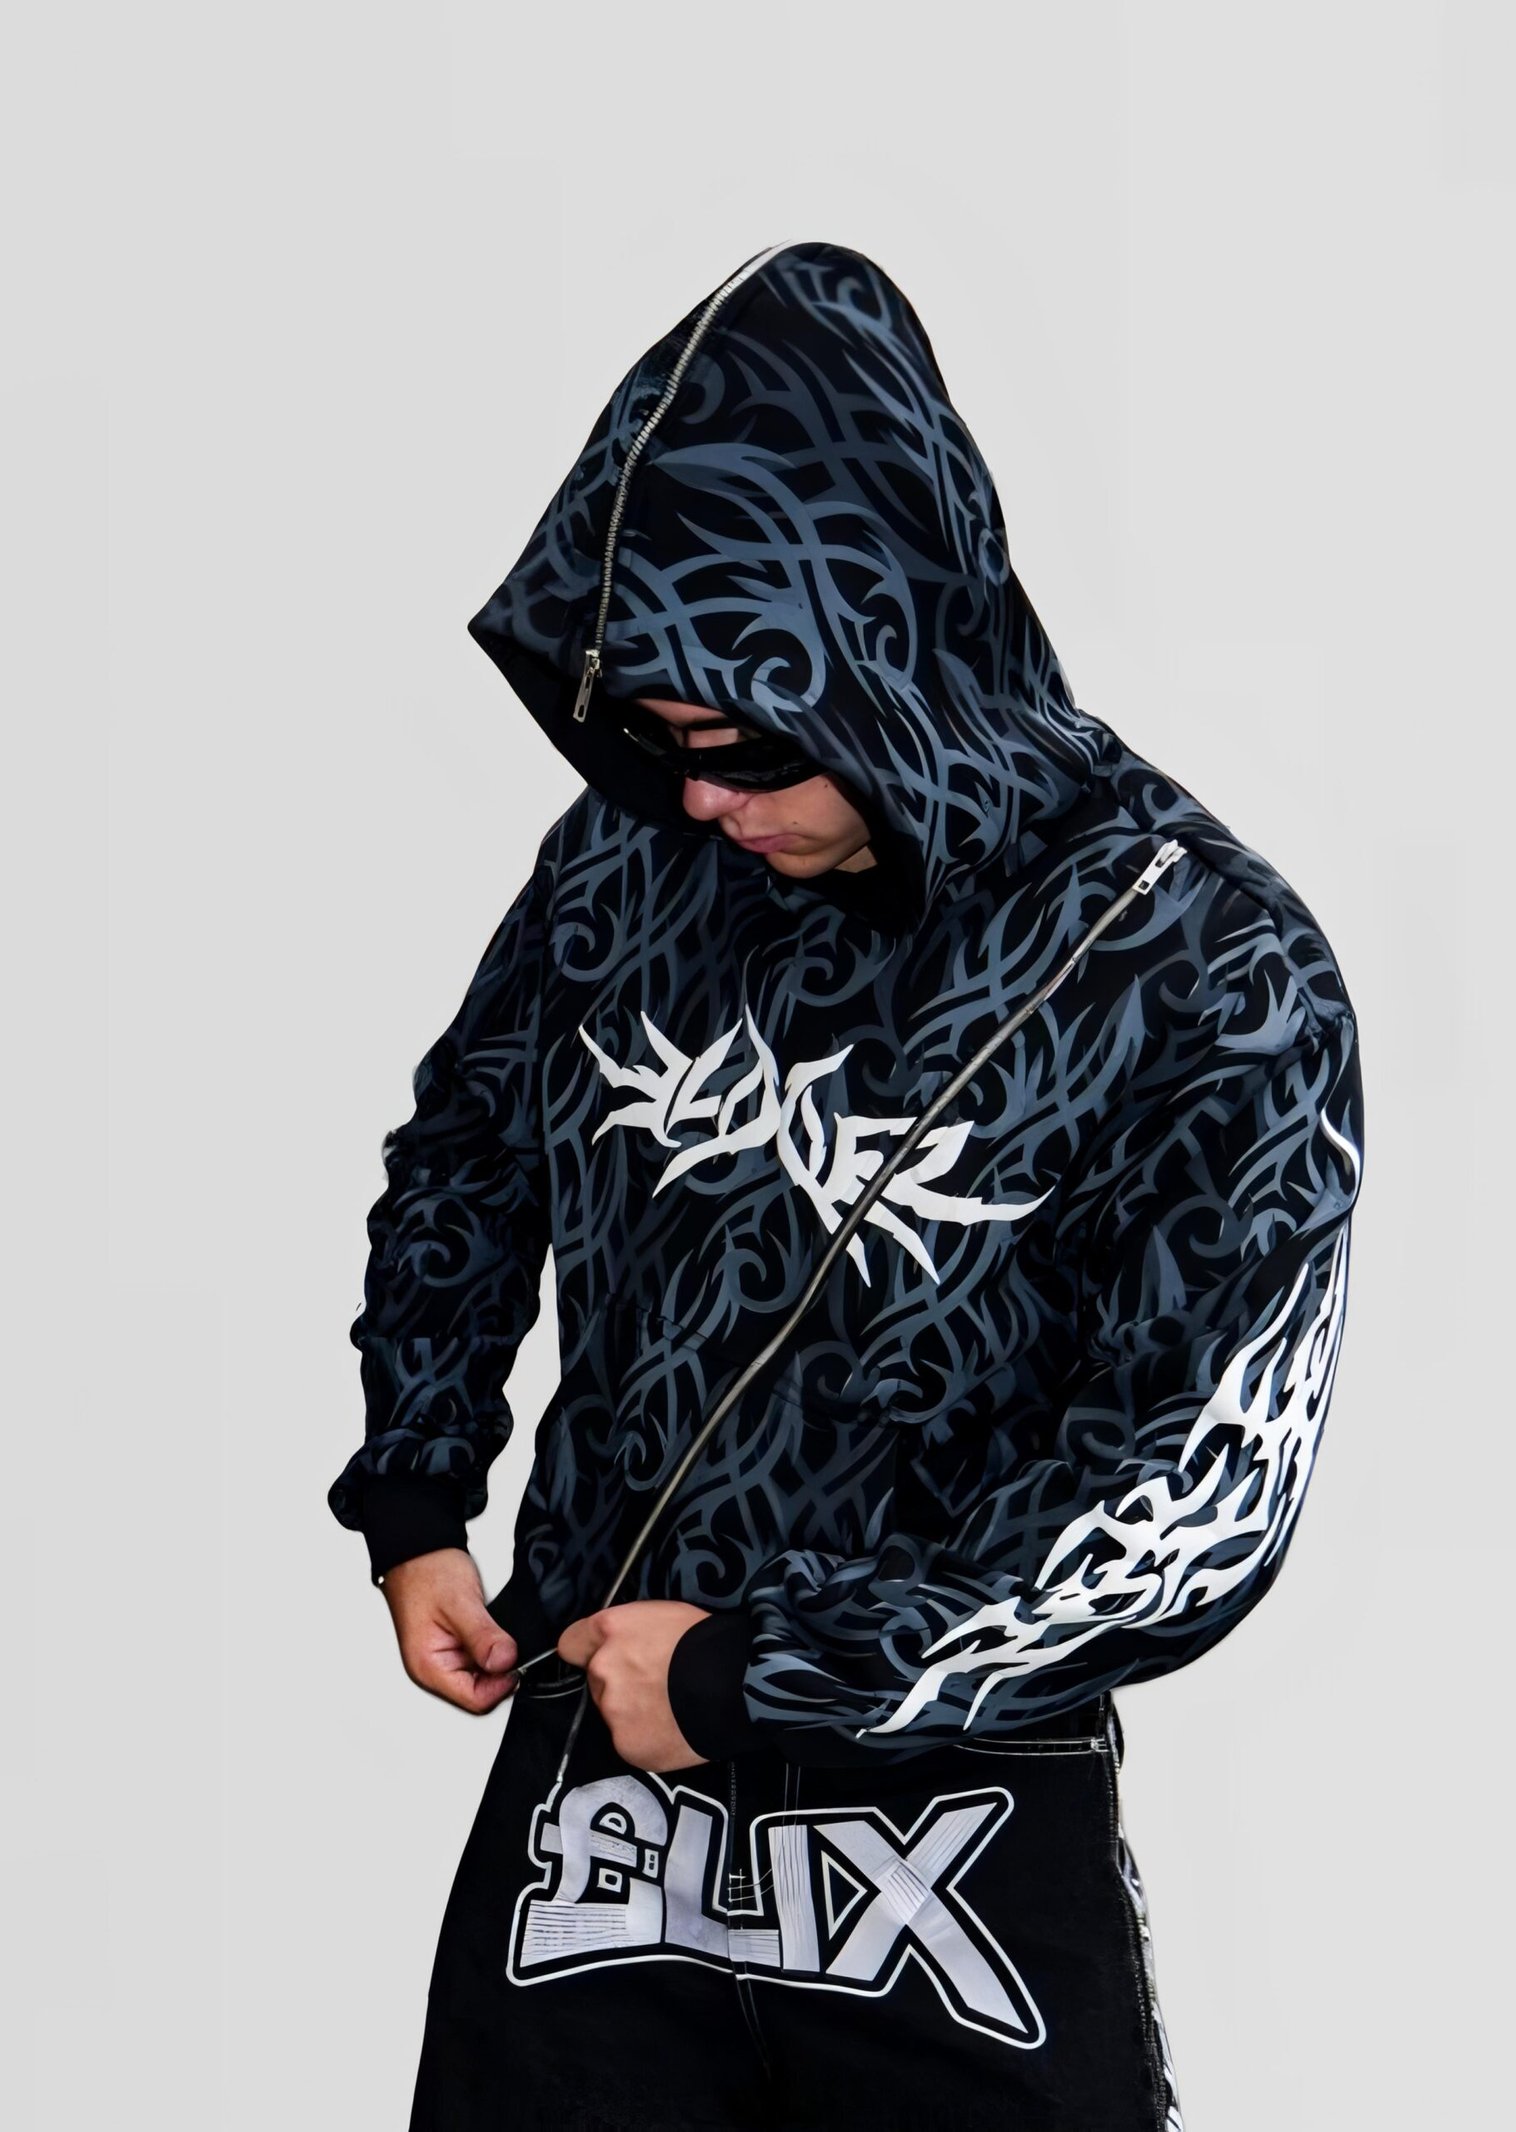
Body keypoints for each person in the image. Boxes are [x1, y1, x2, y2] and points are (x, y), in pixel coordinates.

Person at [328, 240, 1363, 2132]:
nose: (697, 801)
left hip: (952, 1822)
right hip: (599, 1799)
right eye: (656, 748)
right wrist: (416, 1498)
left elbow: (1193, 1487)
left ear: (886, 666)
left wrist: (765, 1680)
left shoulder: (1208, 968)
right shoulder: (630, 862)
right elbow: (467, 1149)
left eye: (736, 750)